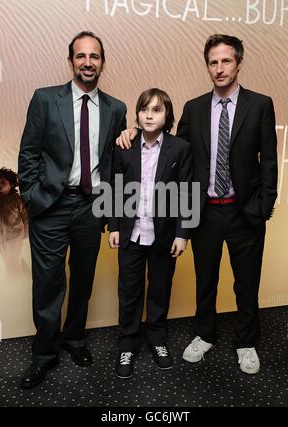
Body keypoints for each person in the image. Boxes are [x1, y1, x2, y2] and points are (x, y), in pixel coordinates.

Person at [117, 34, 278, 375]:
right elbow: (173, 151)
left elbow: (269, 161)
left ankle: (246, 342)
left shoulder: (260, 104)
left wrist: (264, 205)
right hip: (204, 211)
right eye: (213, 62)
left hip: (244, 211)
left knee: (246, 282)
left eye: (226, 61)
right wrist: (133, 131)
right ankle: (205, 334)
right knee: (206, 279)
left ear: (239, 63)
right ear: (207, 65)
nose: (219, 69)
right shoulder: (193, 107)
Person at [18, 31, 127, 389]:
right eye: (81, 56)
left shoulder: (116, 109)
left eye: (94, 56)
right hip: (50, 205)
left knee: (82, 279)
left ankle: (75, 340)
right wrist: (32, 196)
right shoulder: (45, 99)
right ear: (70, 62)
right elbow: (29, 152)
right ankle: (45, 354)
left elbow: (113, 165)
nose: (87, 62)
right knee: (49, 283)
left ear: (102, 63)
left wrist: (110, 214)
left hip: (90, 206)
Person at [108, 88, 193, 378]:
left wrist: (182, 233)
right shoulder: (124, 146)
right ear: (137, 114)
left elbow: (186, 194)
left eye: (156, 110)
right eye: (144, 109)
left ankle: (158, 340)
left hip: (164, 237)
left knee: (160, 291)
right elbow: (115, 188)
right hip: (131, 235)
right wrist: (114, 227)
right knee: (129, 292)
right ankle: (127, 345)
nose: (149, 114)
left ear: (167, 115)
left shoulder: (180, 148)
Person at [0, 167, 28, 275]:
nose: (0, 184)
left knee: (13, 263)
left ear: (12, 185)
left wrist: (25, 234)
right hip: (1, 236)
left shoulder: (16, 199)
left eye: (3, 182)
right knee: (6, 260)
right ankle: (27, 274)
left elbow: (26, 218)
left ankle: (15, 283)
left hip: (15, 237)